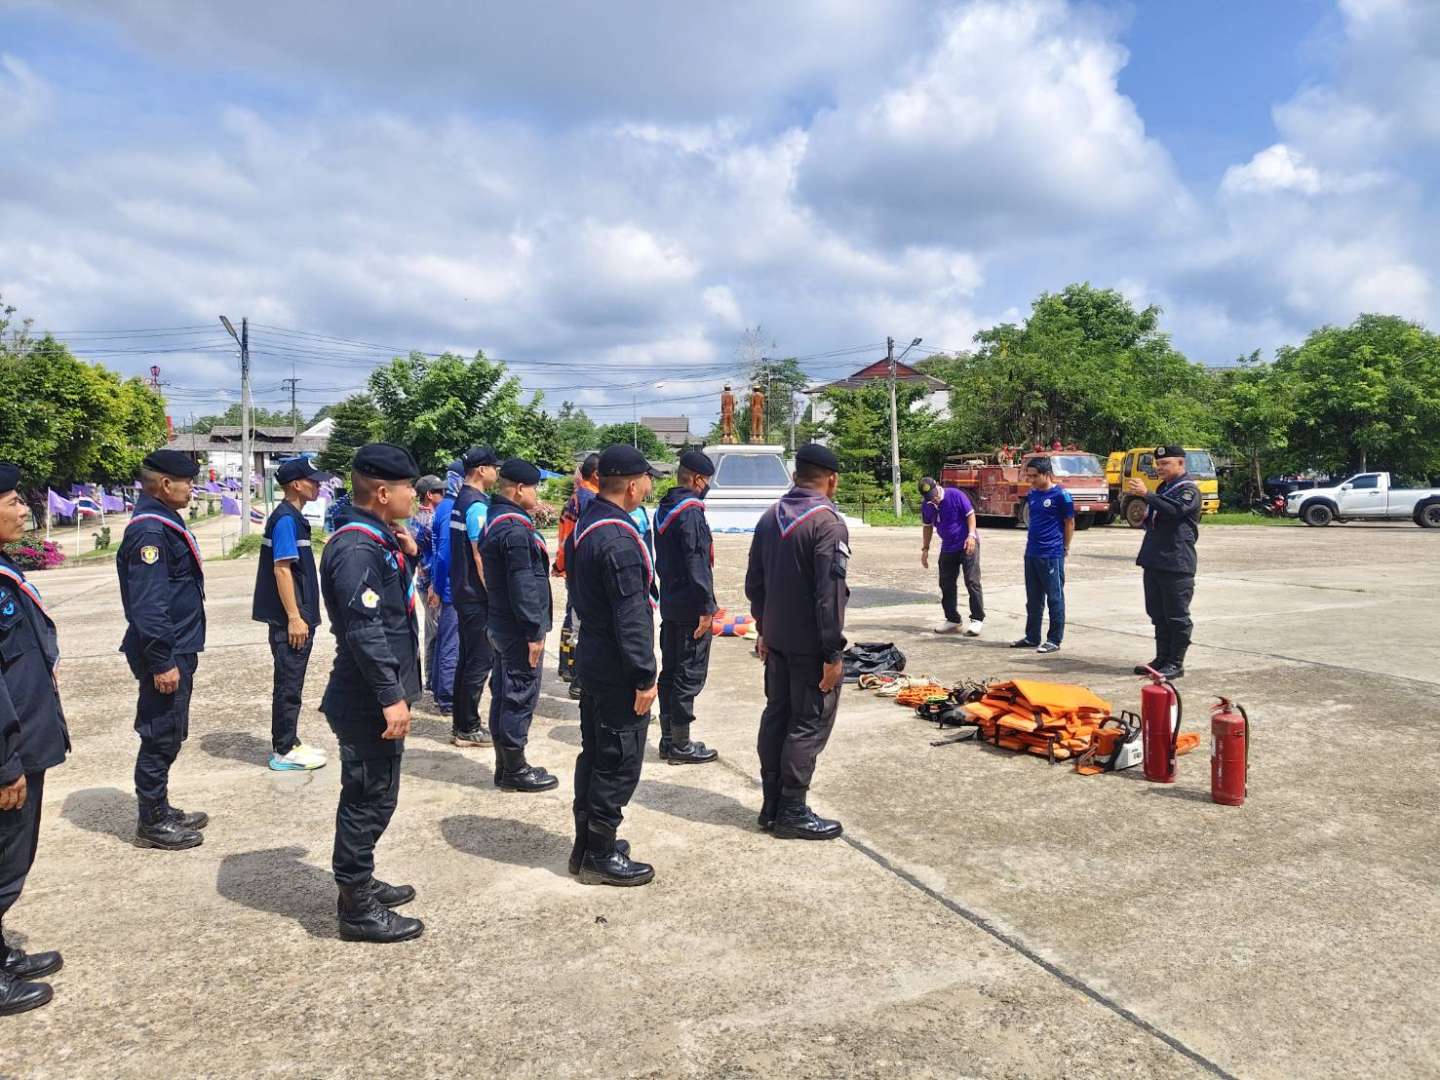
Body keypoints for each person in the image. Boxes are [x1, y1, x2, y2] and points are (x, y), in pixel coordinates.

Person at [317, 443, 425, 944]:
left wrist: (410, 557)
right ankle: (356, 907)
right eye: (408, 489)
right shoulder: (358, 548)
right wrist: (389, 695)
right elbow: (365, 629)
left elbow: (387, 608)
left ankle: (361, 880)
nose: (415, 498)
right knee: (368, 798)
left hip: (375, 691)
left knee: (378, 793)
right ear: (382, 493)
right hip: (365, 697)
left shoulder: (378, 539)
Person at [565, 445, 663, 886]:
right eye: (647, 478)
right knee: (618, 760)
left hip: (595, 656)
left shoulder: (589, 522)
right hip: (616, 666)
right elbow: (631, 616)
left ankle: (587, 845)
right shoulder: (618, 539)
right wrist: (644, 675)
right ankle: (599, 856)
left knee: (595, 754)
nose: (650, 485)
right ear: (632, 485)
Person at [744, 443, 849, 841]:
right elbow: (829, 596)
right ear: (832, 480)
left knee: (777, 715)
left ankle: (771, 805)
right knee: (807, 723)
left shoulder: (769, 517)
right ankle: (792, 810)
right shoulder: (827, 523)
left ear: (794, 476)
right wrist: (832, 652)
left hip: (776, 640)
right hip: (810, 646)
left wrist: (763, 628)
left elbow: (754, 583)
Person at [0, 463, 70, 1015]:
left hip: (25, 739)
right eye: (13, 501)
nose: (25, 509)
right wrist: (5, 763)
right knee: (3, 860)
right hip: (9, 752)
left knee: (14, 855)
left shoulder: (5, 568)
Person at [117, 449, 209, 851]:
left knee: (170, 730)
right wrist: (161, 661)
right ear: (166, 484)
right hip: (165, 651)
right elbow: (149, 605)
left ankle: (160, 806)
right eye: (187, 482)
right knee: (159, 733)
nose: (192, 489)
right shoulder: (150, 533)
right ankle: (151, 821)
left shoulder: (163, 521)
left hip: (178, 645)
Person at [480, 459, 558, 792]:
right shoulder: (514, 529)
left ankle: (505, 765)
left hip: (500, 623)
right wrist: (533, 632)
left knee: (504, 692)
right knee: (518, 694)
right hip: (516, 629)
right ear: (520, 488)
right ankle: (514, 768)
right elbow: (522, 583)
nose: (537, 494)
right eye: (535, 488)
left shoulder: (496, 519)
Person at [252, 456, 328, 772]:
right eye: (313, 481)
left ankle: (291, 740)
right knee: (289, 685)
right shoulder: (285, 520)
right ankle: (284, 749)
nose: (319, 486)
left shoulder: (294, 518)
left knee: (292, 682)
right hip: (290, 621)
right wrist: (294, 618)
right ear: (296, 484)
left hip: (298, 616)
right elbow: (282, 569)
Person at [653, 450, 720, 765]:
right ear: (697, 479)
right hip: (691, 607)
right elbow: (697, 561)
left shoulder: (665, 507)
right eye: (706, 481)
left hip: (671, 602)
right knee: (688, 674)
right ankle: (681, 744)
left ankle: (668, 739)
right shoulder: (690, 511)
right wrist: (706, 607)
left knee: (670, 672)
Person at [1128, 445, 1202, 679]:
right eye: (1158, 464)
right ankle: (1161, 658)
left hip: (1176, 561)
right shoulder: (1164, 487)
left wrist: (1147, 495)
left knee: (1177, 616)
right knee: (1158, 613)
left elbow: (1175, 510)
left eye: (1165, 463)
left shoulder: (1188, 489)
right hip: (1155, 559)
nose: (1160, 468)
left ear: (1180, 463)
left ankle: (1175, 663)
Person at [448, 446, 499, 747]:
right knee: (480, 660)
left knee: (467, 659)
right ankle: (468, 726)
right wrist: (494, 595)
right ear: (482, 470)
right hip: (476, 596)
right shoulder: (477, 505)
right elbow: (481, 557)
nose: (496, 472)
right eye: (494, 467)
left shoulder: (460, 500)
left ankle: (461, 724)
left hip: (463, 592)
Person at [1011, 456, 1073, 654]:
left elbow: (1069, 523)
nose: (1031, 480)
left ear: (1047, 474)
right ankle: (1032, 637)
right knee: (1033, 599)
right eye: (1028, 476)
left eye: (1034, 476)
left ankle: (1054, 639)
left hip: (1051, 554)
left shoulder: (1061, 495)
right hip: (1032, 553)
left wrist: (1065, 547)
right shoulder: (1033, 494)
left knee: (1055, 598)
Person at [553, 454, 599, 695]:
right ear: (597, 475)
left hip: (571, 567)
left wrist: (561, 565)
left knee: (571, 617)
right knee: (581, 622)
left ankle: (566, 666)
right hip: (582, 569)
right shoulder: (590, 501)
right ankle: (577, 677)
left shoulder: (574, 499)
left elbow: (564, 538)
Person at [918, 476, 984, 637]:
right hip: (948, 546)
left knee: (972, 580)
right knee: (945, 583)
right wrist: (925, 549)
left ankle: (977, 619)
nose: (933, 498)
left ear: (937, 486)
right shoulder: (927, 505)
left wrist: (971, 536)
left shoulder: (955, 495)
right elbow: (927, 527)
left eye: (934, 494)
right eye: (929, 497)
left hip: (967, 543)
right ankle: (953, 620)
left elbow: (970, 515)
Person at [426, 462, 463, 713]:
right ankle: (448, 698)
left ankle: (440, 690)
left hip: (445, 584)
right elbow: (444, 555)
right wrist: (438, 588)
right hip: (451, 587)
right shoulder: (451, 509)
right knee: (452, 643)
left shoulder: (444, 507)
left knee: (444, 641)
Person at [411, 475, 445, 700]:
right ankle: (434, 680)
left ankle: (433, 679)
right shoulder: (429, 519)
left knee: (433, 630)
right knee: (437, 631)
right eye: (440, 491)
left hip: (425, 581)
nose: (444, 494)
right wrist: (435, 583)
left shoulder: (416, 517)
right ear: (430, 495)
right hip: (431, 583)